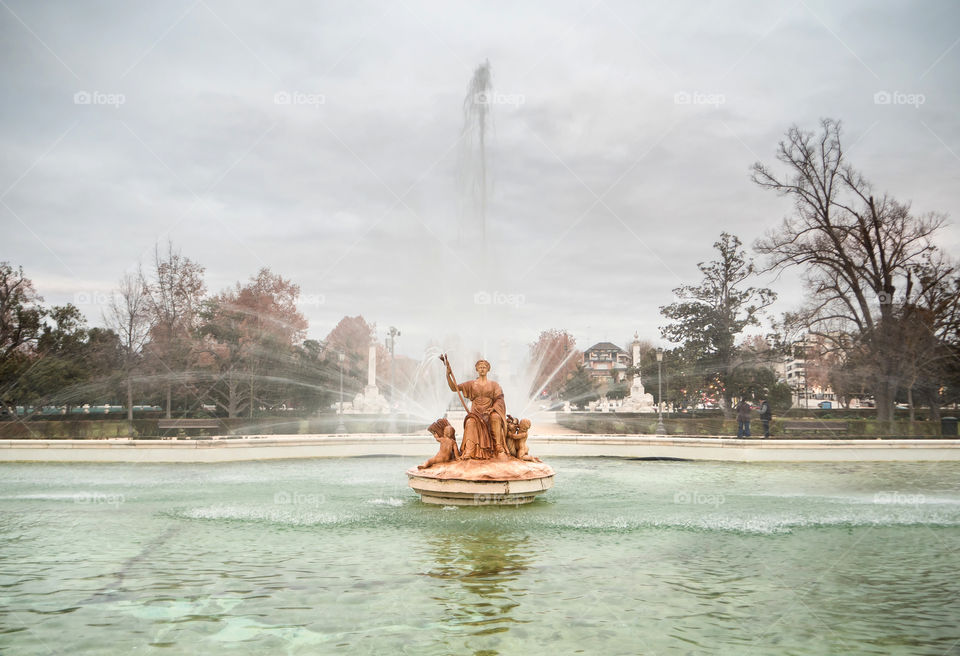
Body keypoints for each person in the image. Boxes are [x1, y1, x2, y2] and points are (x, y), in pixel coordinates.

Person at [445, 358, 509, 459]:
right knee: (470, 422)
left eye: (484, 367)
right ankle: (469, 451)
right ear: (477, 369)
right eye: (480, 367)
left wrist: (493, 408)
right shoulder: (471, 384)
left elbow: (500, 399)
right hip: (475, 414)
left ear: (488, 369)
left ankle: (498, 446)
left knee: (496, 417)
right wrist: (448, 375)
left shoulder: (494, 385)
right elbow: (454, 388)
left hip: (489, 413)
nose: (482, 369)